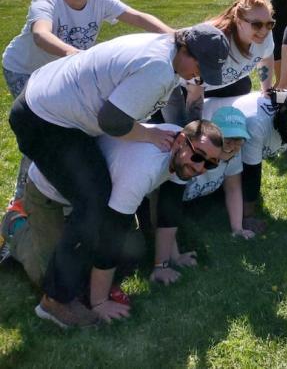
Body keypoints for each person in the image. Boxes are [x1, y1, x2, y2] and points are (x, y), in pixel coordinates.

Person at [6, 24, 228, 328]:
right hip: (42, 119)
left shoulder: (166, 53)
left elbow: (164, 202)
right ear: (186, 49)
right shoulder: (158, 68)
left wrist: (164, 260)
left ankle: (68, 268)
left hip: (52, 107)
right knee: (94, 201)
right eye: (200, 66)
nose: (197, 76)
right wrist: (148, 134)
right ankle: (53, 299)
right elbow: (111, 120)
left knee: (108, 234)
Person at [14, 120, 221, 324]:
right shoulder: (143, 170)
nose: (200, 167)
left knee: (135, 249)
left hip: (94, 203)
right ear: (182, 141)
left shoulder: (179, 149)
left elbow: (168, 210)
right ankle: (15, 225)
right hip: (50, 193)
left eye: (210, 163)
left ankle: (72, 242)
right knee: (53, 280)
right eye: (198, 156)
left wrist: (164, 264)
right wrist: (100, 302)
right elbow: (111, 234)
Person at [2, 0, 172, 200]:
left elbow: (137, 17)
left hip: (63, 74)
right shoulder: (46, 1)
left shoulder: (99, 1)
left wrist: (175, 37)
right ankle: (22, 197)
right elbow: (40, 34)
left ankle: (62, 189)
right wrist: (74, 55)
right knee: (38, 126)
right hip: (24, 69)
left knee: (69, 127)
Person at [202, 86, 287, 232]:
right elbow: (252, 172)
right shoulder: (258, 124)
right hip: (206, 122)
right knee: (216, 193)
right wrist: (247, 217)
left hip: (230, 141)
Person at [181, 107, 255, 240]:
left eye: (238, 140)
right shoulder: (194, 155)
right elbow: (165, 198)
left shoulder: (234, 155)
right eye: (227, 139)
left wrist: (237, 228)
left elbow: (233, 188)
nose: (232, 146)